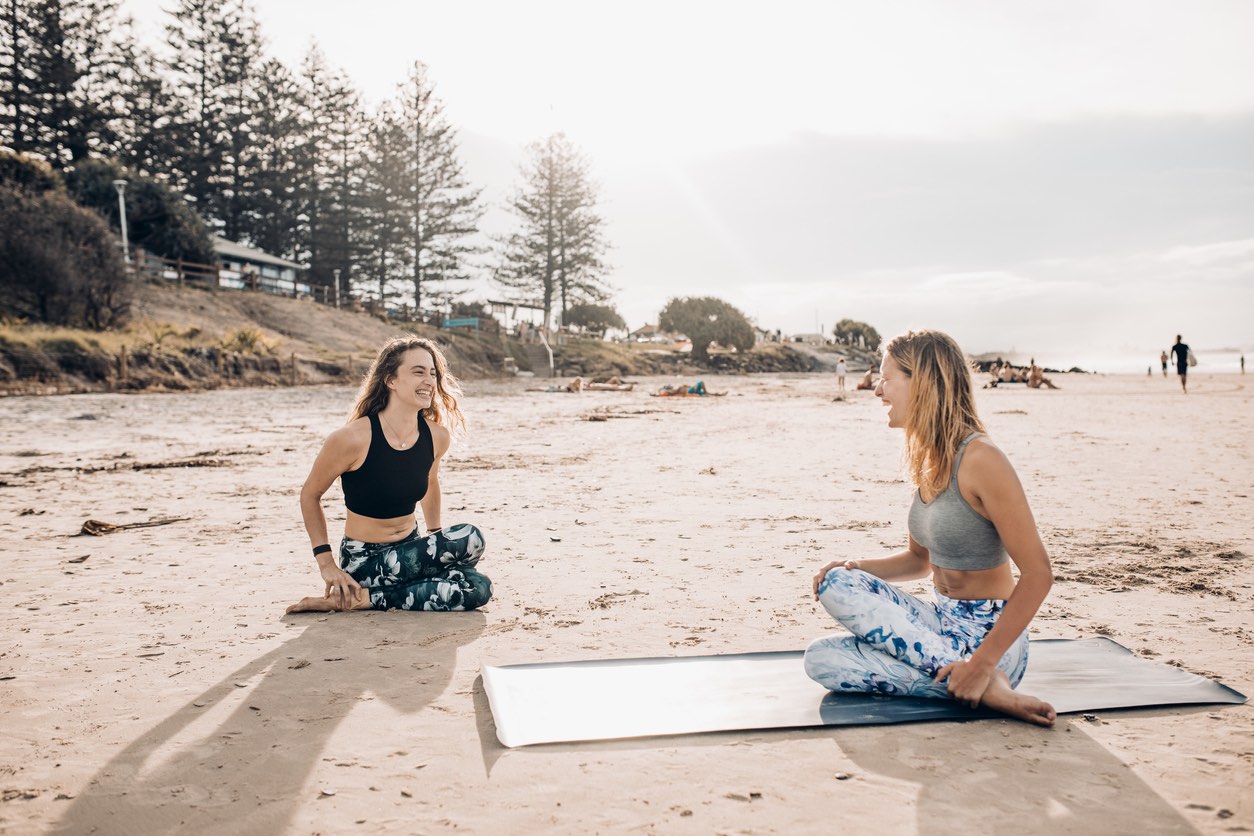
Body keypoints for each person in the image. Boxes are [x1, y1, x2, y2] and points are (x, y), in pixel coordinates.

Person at [805, 329, 1056, 726]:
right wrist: (853, 566)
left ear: (921, 382)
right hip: (940, 629)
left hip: (992, 638)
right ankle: (985, 688)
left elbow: (1039, 574)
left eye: (887, 379)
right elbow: (918, 562)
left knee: (838, 590)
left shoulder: (981, 460)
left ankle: (982, 675)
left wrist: (983, 660)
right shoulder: (928, 460)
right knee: (821, 659)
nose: (877, 390)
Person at [286, 336, 491, 614]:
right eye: (418, 372)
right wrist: (326, 564)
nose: (430, 381)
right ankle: (368, 591)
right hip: (365, 561)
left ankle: (366, 599)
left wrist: (434, 538)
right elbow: (310, 494)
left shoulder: (436, 436)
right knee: (470, 536)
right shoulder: (351, 439)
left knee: (479, 587)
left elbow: (430, 482)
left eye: (433, 373)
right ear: (390, 380)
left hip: (411, 551)